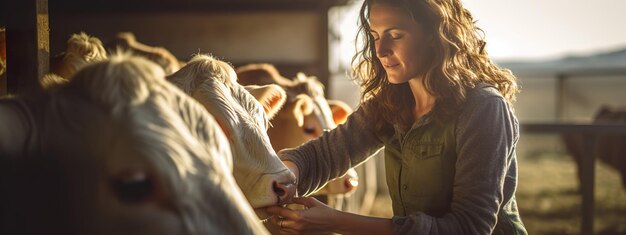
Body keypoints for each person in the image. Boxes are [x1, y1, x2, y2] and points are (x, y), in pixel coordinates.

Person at [266, 0, 527, 234]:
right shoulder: (390, 105)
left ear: (435, 36)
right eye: (375, 36)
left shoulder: (484, 108)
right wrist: (283, 177)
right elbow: (324, 155)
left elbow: (468, 227)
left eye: (395, 35)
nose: (380, 50)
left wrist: (335, 221)